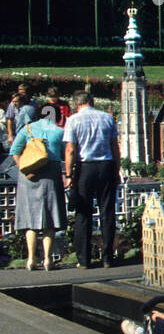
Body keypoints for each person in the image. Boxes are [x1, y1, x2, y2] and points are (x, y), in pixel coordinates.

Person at [63, 90, 119, 269]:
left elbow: (71, 149)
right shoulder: (107, 118)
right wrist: (116, 170)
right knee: (107, 212)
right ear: (92, 101)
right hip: (106, 165)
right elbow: (114, 147)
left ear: (75, 104)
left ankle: (84, 260)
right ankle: (108, 258)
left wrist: (69, 175)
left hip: (84, 167)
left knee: (83, 213)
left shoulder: (72, 120)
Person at [10, 112, 66, 270]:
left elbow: (14, 151)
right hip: (51, 175)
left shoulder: (27, 129)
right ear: (55, 117)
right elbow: (64, 153)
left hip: (28, 176)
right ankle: (48, 260)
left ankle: (30, 260)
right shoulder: (59, 131)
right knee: (49, 220)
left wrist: (24, 168)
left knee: (30, 221)